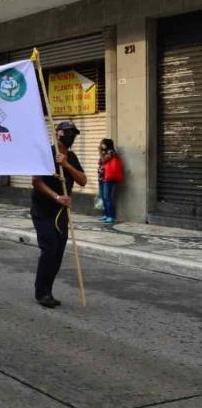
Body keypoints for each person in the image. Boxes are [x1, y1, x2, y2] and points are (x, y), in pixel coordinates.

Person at [30, 121, 87, 308]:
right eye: (69, 133)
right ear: (59, 134)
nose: (72, 137)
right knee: (49, 248)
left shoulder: (71, 156)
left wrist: (66, 164)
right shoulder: (46, 153)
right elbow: (36, 181)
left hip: (61, 213)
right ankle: (41, 292)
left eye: (74, 134)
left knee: (58, 253)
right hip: (43, 210)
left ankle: (48, 290)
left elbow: (83, 180)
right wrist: (56, 196)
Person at [98, 138, 122, 224]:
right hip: (102, 177)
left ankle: (111, 216)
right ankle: (106, 214)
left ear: (107, 144)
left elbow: (103, 160)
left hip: (108, 178)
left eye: (102, 144)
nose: (100, 145)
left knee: (107, 197)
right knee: (103, 197)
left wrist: (100, 152)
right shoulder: (105, 152)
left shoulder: (111, 152)